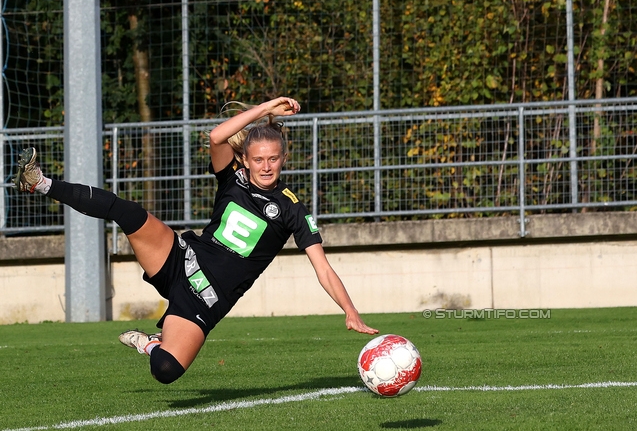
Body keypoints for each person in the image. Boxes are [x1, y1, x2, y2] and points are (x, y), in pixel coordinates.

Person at [15, 96, 378, 384]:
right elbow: (216, 136)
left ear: (284, 158)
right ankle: (40, 183)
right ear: (246, 160)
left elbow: (323, 267)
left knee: (167, 371)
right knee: (124, 211)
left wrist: (349, 310)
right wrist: (266, 108)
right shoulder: (231, 178)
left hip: (206, 299)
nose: (266, 167)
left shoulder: (291, 209)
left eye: (273, 159)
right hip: (181, 259)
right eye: (258, 159)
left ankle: (151, 344)